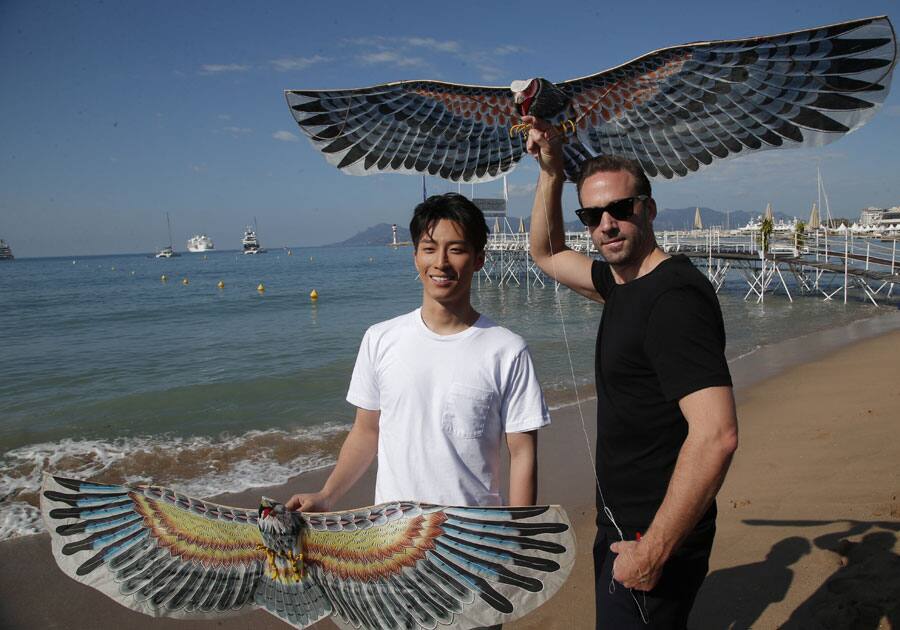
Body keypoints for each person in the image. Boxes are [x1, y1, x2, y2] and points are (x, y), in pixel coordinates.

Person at [524, 116, 739, 629]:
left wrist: (654, 549)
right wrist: (550, 172)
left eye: (620, 209)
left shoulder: (673, 299)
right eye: (592, 214)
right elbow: (547, 252)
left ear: (649, 209)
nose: (606, 224)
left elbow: (717, 435)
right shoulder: (622, 283)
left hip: (651, 533)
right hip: (625, 523)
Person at [287, 192, 550, 518]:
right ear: (415, 257)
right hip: (392, 539)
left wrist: (519, 536)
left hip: (474, 541)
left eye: (456, 249)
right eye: (429, 249)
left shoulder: (507, 350)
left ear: (479, 259)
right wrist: (327, 495)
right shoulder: (380, 338)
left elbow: (522, 452)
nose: (440, 262)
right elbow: (366, 432)